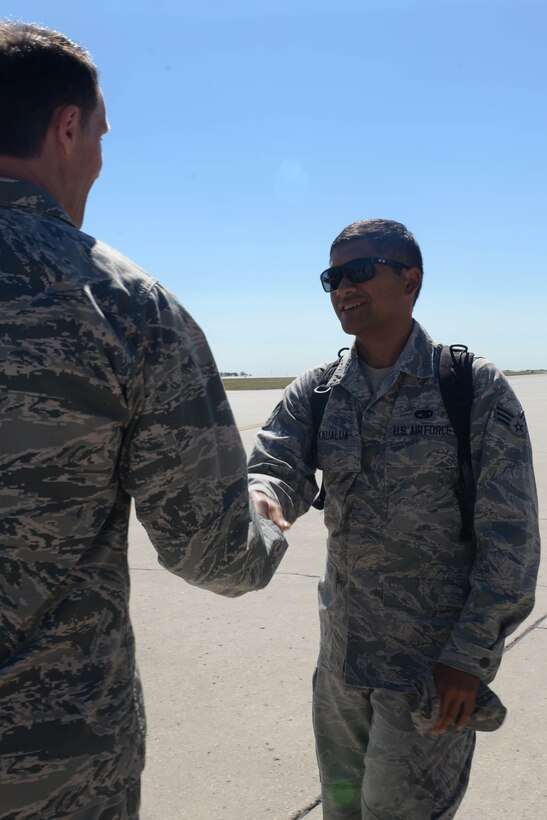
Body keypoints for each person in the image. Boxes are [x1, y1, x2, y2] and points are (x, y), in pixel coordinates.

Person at [0, 21, 287, 820]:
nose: (99, 153)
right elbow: (210, 550)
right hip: (49, 769)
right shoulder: (120, 304)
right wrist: (264, 523)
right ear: (66, 127)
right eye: (100, 132)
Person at [249, 218, 540, 819]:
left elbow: (510, 540)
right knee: (344, 809)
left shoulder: (471, 387)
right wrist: (263, 495)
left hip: (430, 664)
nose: (342, 287)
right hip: (342, 664)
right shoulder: (320, 390)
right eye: (333, 276)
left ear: (411, 279)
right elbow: (277, 463)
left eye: (359, 271)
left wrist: (468, 658)